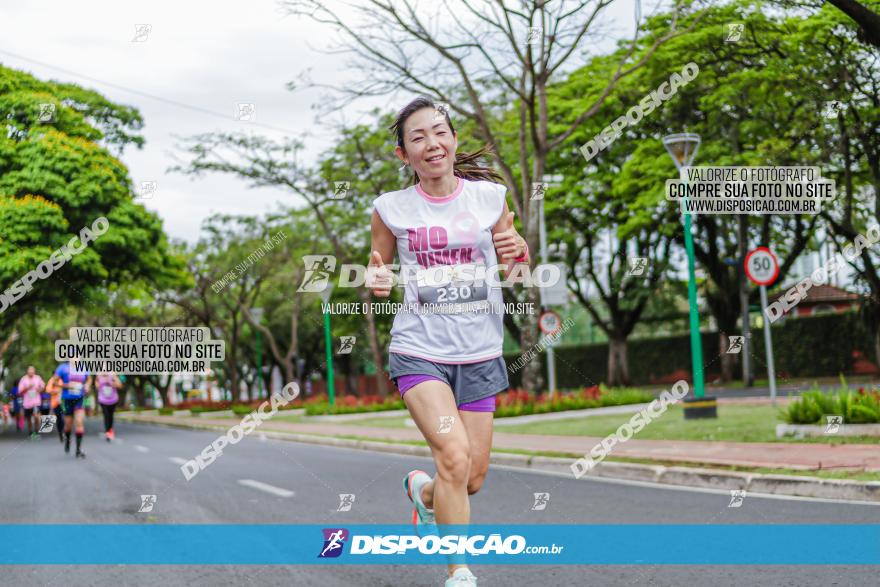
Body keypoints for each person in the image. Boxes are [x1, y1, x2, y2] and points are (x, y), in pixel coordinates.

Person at [369, 96, 528, 587]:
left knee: (470, 477)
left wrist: (520, 251)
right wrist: (375, 281)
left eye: (439, 132)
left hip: (479, 353)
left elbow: (515, 271)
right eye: (417, 137)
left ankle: (424, 493)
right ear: (404, 154)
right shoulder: (390, 208)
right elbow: (376, 268)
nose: (431, 143)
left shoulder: (490, 198)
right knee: (453, 456)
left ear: (453, 139)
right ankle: (459, 571)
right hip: (420, 352)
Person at [49, 360, 92, 458]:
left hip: (79, 398)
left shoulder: (83, 367)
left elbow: (89, 379)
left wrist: (87, 385)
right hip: (67, 400)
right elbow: (54, 382)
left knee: (79, 421)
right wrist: (66, 385)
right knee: (68, 425)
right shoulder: (63, 368)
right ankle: (67, 441)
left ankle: (78, 449)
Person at [18, 366, 46, 439]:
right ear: (27, 371)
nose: (31, 372)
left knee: (36, 416)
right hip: (27, 403)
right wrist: (28, 387)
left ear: (34, 371)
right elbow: (20, 391)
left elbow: (43, 387)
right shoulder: (23, 379)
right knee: (29, 418)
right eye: (30, 371)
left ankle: (36, 431)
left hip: (36, 402)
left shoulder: (38, 378)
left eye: (32, 371)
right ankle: (30, 432)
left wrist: (39, 390)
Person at [95, 371, 122, 441]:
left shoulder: (113, 374)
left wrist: (111, 383)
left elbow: (119, 385)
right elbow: (97, 387)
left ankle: (110, 429)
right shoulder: (99, 375)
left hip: (113, 400)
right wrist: (101, 381)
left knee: (111, 416)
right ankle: (108, 432)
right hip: (103, 400)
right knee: (106, 415)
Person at [45, 375, 65, 442]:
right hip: (55, 403)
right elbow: (48, 390)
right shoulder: (52, 380)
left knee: (65, 418)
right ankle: (61, 433)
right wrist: (55, 391)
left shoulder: (64, 378)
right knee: (59, 418)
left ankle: (65, 432)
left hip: (64, 402)